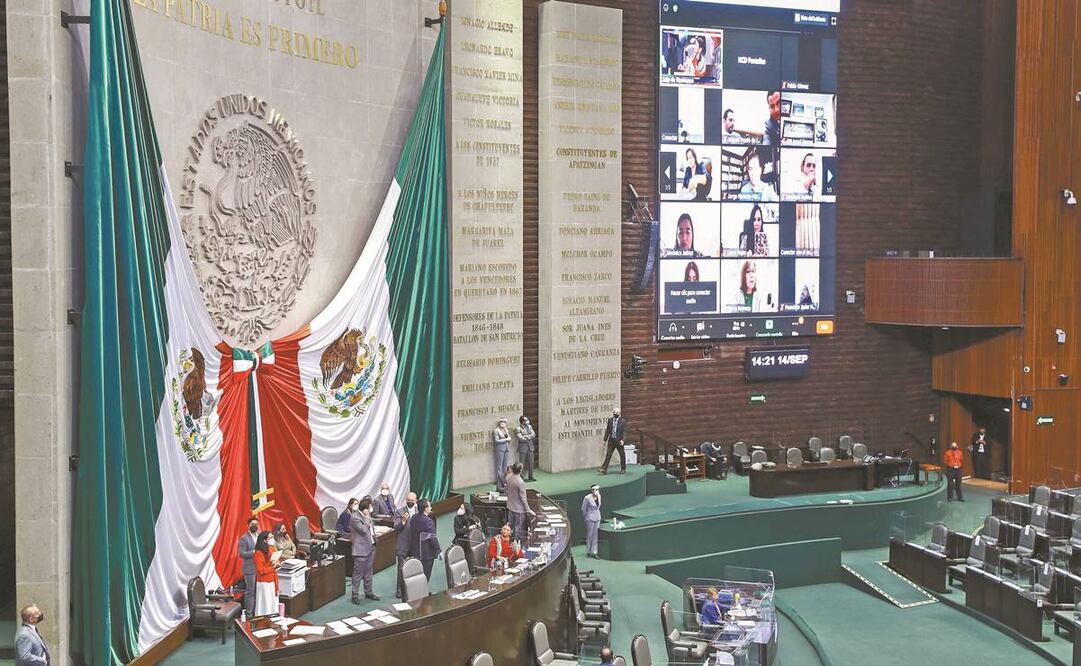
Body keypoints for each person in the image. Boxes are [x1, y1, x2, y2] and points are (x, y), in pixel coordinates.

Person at [350, 497, 379, 602]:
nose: (371, 509)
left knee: (368, 572)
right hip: (360, 550)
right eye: (370, 507)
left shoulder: (367, 515)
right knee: (358, 573)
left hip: (371, 547)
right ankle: (355, 595)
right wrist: (366, 517)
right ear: (365, 509)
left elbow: (371, 528)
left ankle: (369, 592)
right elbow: (363, 530)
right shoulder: (355, 518)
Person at [409, 499, 441, 581]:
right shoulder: (428, 522)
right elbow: (432, 538)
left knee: (416, 575)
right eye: (429, 506)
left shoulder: (413, 518)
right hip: (426, 554)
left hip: (414, 552)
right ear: (426, 509)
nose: (431, 508)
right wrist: (438, 550)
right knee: (425, 577)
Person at [505, 462, 534, 541]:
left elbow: (506, 491)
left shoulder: (508, 477)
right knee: (518, 528)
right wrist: (528, 509)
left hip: (510, 506)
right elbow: (523, 498)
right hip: (519, 509)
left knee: (510, 526)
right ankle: (516, 543)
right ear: (520, 470)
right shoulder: (520, 482)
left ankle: (509, 540)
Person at [253, 530, 279, 616]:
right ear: (264, 540)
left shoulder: (272, 548)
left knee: (272, 602)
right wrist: (273, 567)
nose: (272, 539)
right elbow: (260, 570)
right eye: (270, 537)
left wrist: (277, 563)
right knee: (266, 603)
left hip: (272, 580)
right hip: (264, 583)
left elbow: (275, 560)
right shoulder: (258, 553)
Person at [238, 516, 259, 614]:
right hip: (249, 569)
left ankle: (256, 611)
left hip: (259, 568)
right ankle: (248, 613)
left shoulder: (259, 536)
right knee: (250, 592)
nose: (255, 526)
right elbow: (241, 554)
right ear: (248, 526)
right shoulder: (244, 538)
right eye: (252, 524)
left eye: (256, 524)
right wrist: (254, 552)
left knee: (257, 591)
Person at [598, 407, 627, 475]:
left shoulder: (623, 421)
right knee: (608, 454)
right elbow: (607, 430)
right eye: (614, 412)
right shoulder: (610, 420)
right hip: (611, 440)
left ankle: (623, 468)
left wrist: (623, 440)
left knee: (622, 455)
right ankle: (604, 469)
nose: (615, 414)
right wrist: (605, 440)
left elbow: (625, 432)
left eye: (616, 413)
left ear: (619, 413)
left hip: (619, 440)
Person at [393, 507, 412, 598]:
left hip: (414, 545)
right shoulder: (399, 512)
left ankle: (411, 588)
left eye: (412, 500)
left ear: (415, 500)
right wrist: (403, 521)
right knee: (401, 568)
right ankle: (400, 590)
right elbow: (396, 528)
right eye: (408, 500)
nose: (410, 501)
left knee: (414, 567)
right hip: (403, 545)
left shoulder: (419, 510)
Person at [582, 485, 602, 558]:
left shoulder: (599, 496)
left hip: (597, 517)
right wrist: (585, 517)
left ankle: (594, 552)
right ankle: (588, 551)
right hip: (589, 518)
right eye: (595, 489)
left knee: (595, 535)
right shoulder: (587, 498)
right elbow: (583, 509)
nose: (596, 491)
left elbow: (598, 506)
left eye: (597, 489)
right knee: (589, 535)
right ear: (592, 490)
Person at [492, 418, 512, 492]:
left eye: (504, 422)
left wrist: (508, 439)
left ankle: (504, 480)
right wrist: (506, 439)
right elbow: (497, 441)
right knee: (499, 466)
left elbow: (509, 438)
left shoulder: (506, 430)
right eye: (502, 422)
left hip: (506, 448)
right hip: (499, 449)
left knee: (505, 466)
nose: (503, 423)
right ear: (499, 423)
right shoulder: (496, 431)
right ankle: (498, 482)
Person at [516, 415, 537, 481]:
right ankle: (521, 477)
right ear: (522, 421)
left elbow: (534, 434)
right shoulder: (518, 428)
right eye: (526, 420)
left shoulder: (529, 427)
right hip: (523, 448)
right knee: (521, 463)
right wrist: (529, 437)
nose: (527, 421)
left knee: (531, 462)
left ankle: (531, 476)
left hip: (530, 447)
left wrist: (527, 437)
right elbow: (520, 438)